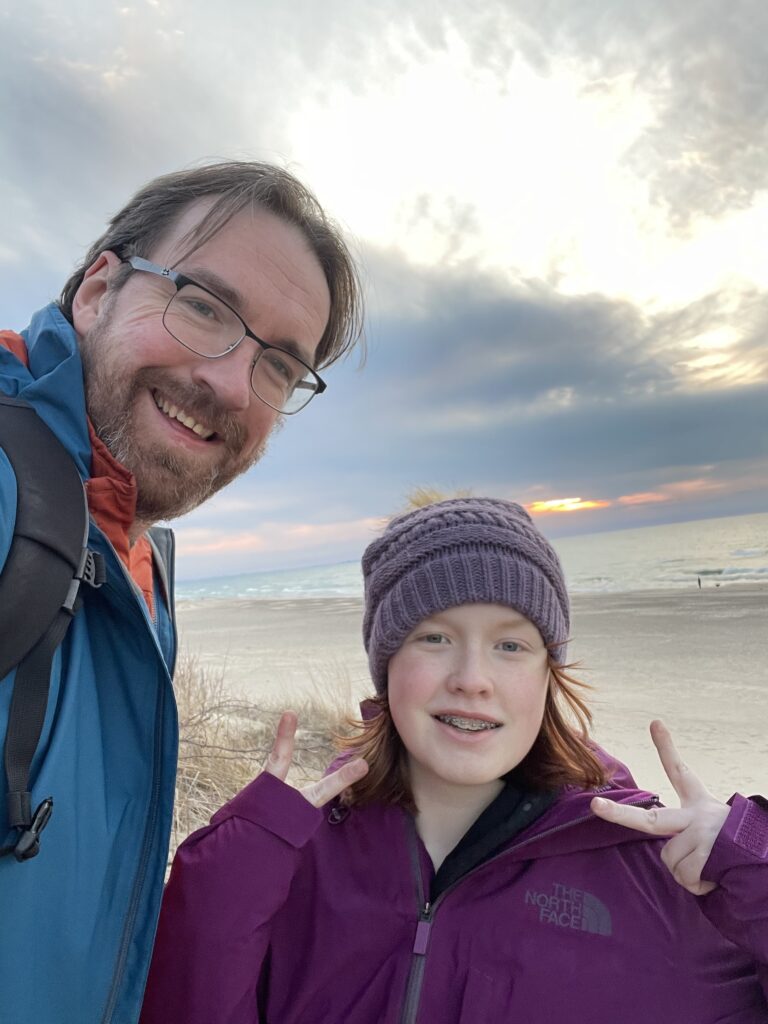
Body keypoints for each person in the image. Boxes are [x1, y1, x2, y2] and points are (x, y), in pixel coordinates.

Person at [141, 497, 768, 1023]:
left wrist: (752, 863)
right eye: (434, 637)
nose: (472, 678)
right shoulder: (296, 860)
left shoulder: (651, 869)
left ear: (550, 676)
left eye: (511, 645)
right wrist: (233, 867)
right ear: (387, 668)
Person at [0, 161, 363, 1024]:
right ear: (98, 290)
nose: (233, 384)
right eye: (203, 306)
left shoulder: (142, 567)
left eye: (279, 365)